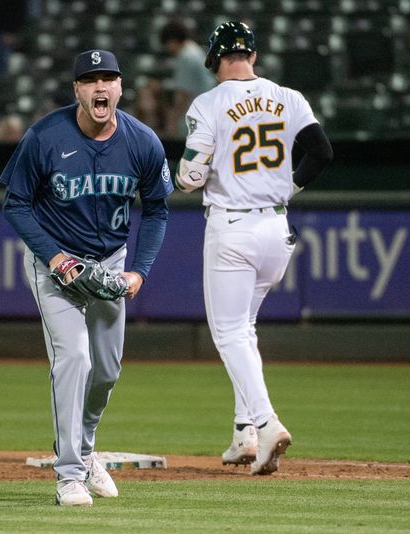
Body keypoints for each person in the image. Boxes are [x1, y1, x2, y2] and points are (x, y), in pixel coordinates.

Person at [0, 49, 173, 506]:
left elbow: (156, 209)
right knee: (74, 358)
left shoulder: (143, 141)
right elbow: (15, 204)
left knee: (108, 370)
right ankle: (69, 475)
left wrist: (140, 271)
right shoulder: (44, 137)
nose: (101, 87)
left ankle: (86, 446)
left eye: (109, 78)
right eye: (90, 79)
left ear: (120, 87)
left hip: (111, 265)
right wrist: (55, 258)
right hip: (56, 265)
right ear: (76, 89)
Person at [174, 21, 332, 476]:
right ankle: (244, 430)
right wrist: (288, 185)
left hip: (234, 229)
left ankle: (266, 423)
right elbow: (321, 152)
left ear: (214, 59)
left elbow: (190, 178)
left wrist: (187, 173)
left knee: (228, 334)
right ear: (253, 56)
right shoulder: (288, 96)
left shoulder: (208, 102)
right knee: (245, 329)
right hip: (276, 229)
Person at [158, 18, 216, 139]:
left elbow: (184, 95)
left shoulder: (186, 57)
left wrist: (172, 122)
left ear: (172, 40)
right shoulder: (195, 50)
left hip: (193, 119)